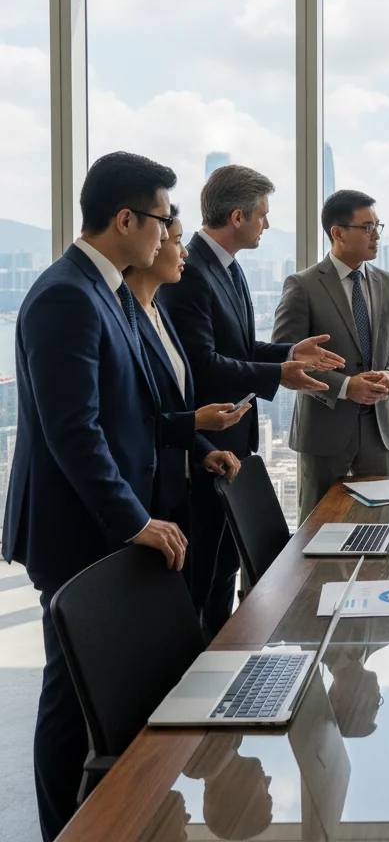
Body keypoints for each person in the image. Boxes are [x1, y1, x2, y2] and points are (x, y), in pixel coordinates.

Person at [0, 151, 190, 842]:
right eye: (165, 220)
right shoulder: (65, 296)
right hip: (70, 528)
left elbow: (128, 412)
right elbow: (73, 431)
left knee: (88, 697)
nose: (169, 235)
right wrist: (135, 519)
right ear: (125, 219)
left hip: (100, 522)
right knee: (68, 702)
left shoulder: (103, 291)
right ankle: (63, 830)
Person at [161, 165, 344, 636]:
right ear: (237, 216)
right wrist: (277, 373)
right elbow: (200, 363)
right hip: (204, 445)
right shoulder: (190, 272)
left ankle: (221, 668)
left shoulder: (229, 267)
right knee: (201, 579)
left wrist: (288, 354)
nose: (267, 223)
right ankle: (197, 680)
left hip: (234, 444)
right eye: (262, 215)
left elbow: (238, 350)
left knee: (223, 572)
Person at [272, 189, 389, 523]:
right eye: (367, 227)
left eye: (378, 226)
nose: (376, 235)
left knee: (380, 529)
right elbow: (285, 361)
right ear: (337, 233)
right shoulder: (303, 285)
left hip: (379, 430)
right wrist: (344, 386)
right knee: (318, 531)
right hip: (324, 432)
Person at [124, 205, 245, 557]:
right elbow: (131, 419)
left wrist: (205, 449)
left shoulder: (159, 311)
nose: (184, 252)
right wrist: (196, 421)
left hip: (179, 486)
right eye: (175, 241)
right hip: (146, 496)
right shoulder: (121, 317)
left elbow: (169, 405)